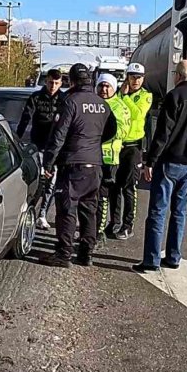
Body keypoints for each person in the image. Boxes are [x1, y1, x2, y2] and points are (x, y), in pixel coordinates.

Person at [134, 61, 187, 273]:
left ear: (178, 75)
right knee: (179, 213)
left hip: (169, 163)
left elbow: (163, 133)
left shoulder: (174, 97)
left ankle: (151, 259)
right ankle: (174, 256)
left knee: (158, 211)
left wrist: (150, 161)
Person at [41, 63, 117, 268]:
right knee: (89, 210)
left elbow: (58, 136)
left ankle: (64, 254)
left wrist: (48, 163)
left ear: (71, 81)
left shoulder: (70, 101)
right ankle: (86, 254)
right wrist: (93, 142)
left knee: (67, 209)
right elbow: (111, 130)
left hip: (73, 163)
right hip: (95, 164)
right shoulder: (102, 103)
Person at [108, 62, 153, 241]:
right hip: (117, 144)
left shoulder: (146, 96)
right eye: (132, 77)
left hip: (134, 147)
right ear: (127, 77)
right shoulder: (119, 93)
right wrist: (120, 95)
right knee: (114, 186)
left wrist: (125, 98)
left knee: (129, 186)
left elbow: (137, 114)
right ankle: (114, 222)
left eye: (139, 77)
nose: (135, 81)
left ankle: (128, 225)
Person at [16, 68, 65, 230]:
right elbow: (25, 119)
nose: (53, 86)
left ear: (61, 83)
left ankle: (42, 214)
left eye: (57, 83)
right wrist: (17, 140)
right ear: (46, 81)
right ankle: (29, 211)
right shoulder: (36, 97)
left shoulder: (64, 99)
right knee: (38, 180)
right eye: (51, 82)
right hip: (37, 145)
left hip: (56, 148)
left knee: (51, 183)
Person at [94, 73, 131, 248]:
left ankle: (98, 233)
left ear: (114, 87)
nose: (104, 89)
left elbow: (122, 131)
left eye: (107, 86)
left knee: (103, 197)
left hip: (109, 159)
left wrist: (99, 135)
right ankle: (92, 230)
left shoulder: (119, 106)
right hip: (92, 157)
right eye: (101, 86)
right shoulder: (94, 103)